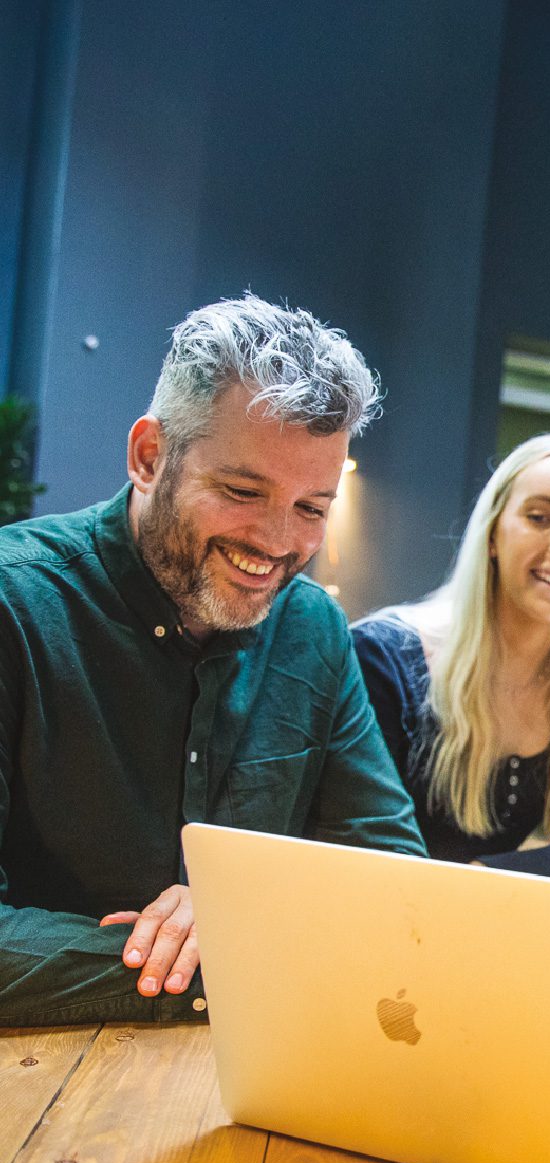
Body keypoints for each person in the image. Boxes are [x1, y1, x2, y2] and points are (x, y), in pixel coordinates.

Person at [0, 295, 424, 1027]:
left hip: (264, 1075)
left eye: (311, 508)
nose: (276, 542)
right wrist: (225, 959)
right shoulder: (16, 607)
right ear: (148, 457)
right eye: (241, 492)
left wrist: (246, 914)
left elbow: (393, 878)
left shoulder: (314, 628)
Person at [352, 433, 550, 884]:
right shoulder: (382, 656)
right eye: (540, 517)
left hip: (487, 921)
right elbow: (362, 850)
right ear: (493, 533)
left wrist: (489, 877)